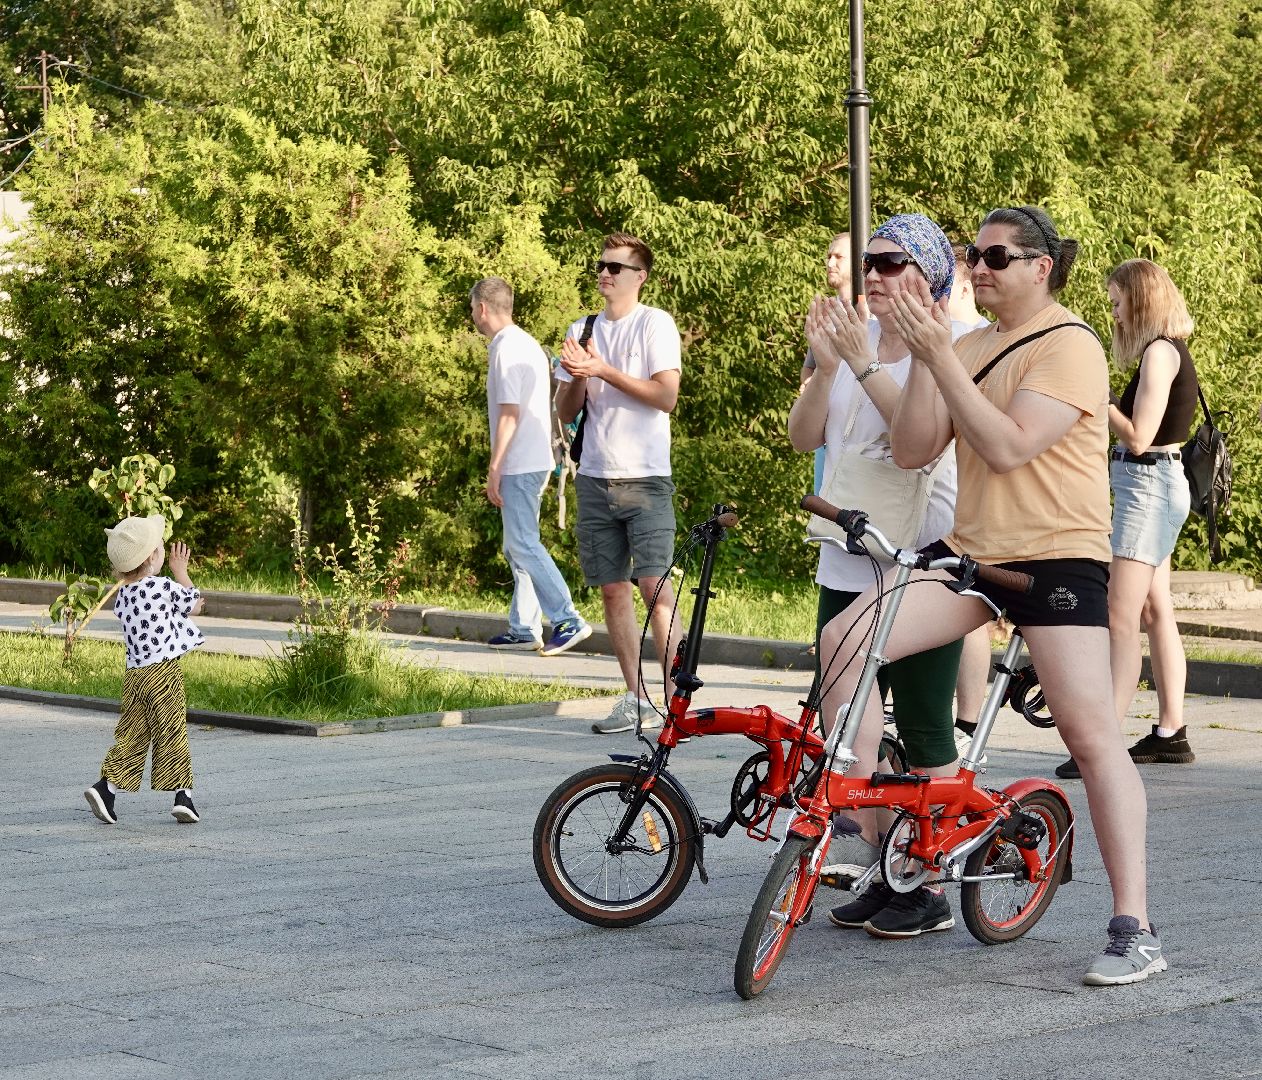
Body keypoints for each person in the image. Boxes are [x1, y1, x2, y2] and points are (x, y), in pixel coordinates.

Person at [818, 205, 1164, 987]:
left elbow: (1007, 448)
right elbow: (912, 450)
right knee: (845, 641)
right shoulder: (965, 344)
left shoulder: (1069, 344)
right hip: (974, 554)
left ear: (1041, 267)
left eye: (997, 256)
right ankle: (876, 831)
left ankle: (1134, 925)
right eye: (974, 254)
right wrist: (894, 359)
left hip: (1056, 560)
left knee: (1090, 736)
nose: (979, 267)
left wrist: (941, 360)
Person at [788, 212, 970, 939]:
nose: (874, 274)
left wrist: (861, 365)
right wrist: (826, 366)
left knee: (924, 721)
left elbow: (915, 447)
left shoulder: (946, 345)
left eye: (892, 263)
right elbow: (805, 438)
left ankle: (926, 883)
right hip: (846, 545)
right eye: (870, 261)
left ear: (928, 275)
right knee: (849, 718)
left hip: (920, 553)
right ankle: (885, 864)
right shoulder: (849, 341)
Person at [1056, 260, 1198, 779]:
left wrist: (1099, 398)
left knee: (1119, 616)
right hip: (1153, 486)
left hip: (1149, 488)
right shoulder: (1162, 351)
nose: (1114, 313)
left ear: (1140, 300)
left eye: (1117, 302)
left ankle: (1105, 742)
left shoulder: (1161, 353)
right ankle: (1170, 732)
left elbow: (1139, 436)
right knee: (1156, 612)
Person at [555, 233, 683, 734]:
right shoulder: (581, 328)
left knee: (655, 587)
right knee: (612, 591)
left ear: (639, 277)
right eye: (601, 266)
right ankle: (635, 697)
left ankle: (675, 703)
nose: (605, 274)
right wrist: (579, 376)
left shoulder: (655, 324)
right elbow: (565, 413)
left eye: (615, 267)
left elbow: (665, 396)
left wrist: (603, 368)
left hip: (646, 477)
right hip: (594, 477)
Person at [470, 277, 592, 657]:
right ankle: (524, 627)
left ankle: (567, 617)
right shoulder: (526, 343)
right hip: (536, 458)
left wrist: (495, 467)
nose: (472, 314)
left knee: (522, 542)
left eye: (473, 308)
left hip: (520, 461)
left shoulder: (506, 348)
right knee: (517, 544)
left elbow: (509, 413)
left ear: (483, 308)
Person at [84, 515, 207, 825]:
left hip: (135, 676)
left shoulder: (123, 597)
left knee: (132, 734)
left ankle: (106, 788)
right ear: (153, 557)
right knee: (172, 731)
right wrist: (182, 572)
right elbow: (194, 605)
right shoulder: (163, 586)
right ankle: (183, 797)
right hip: (163, 673)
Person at [948, 241, 998, 756]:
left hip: (962, 497)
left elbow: (1001, 443)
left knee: (970, 606)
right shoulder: (953, 339)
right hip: (942, 494)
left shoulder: (970, 340)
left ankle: (968, 723)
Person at [800, 233, 857, 494]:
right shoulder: (826, 313)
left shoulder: (876, 315)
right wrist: (811, 385)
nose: (830, 263)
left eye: (838, 257)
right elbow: (809, 368)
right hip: (826, 433)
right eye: (828, 256)